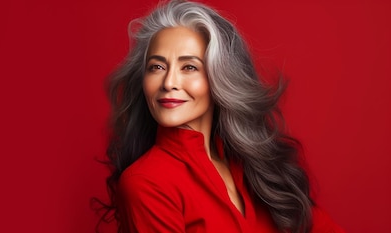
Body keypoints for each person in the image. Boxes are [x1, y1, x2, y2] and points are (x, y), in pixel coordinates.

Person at [97, 0, 345, 232]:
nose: (169, 82)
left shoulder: (253, 166)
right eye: (157, 67)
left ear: (220, 77)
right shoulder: (147, 184)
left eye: (189, 67)